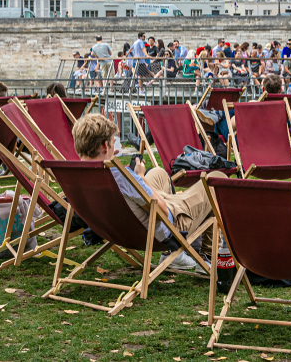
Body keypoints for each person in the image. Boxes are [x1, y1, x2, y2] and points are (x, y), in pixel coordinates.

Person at [73, 113, 227, 269]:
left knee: (158, 173)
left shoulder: (74, 176)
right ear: (105, 146)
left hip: (117, 229)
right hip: (157, 230)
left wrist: (140, 179)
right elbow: (163, 213)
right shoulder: (121, 176)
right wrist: (140, 177)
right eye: (114, 143)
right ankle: (206, 256)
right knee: (216, 178)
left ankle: (175, 257)